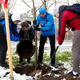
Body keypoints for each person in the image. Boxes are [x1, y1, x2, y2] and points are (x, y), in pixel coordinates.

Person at [53, 5, 80, 77]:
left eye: (55, 15)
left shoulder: (63, 14)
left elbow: (61, 31)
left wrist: (59, 42)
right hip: (78, 26)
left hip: (79, 28)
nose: (56, 17)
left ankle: (75, 72)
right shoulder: (67, 11)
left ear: (57, 12)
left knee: (75, 50)